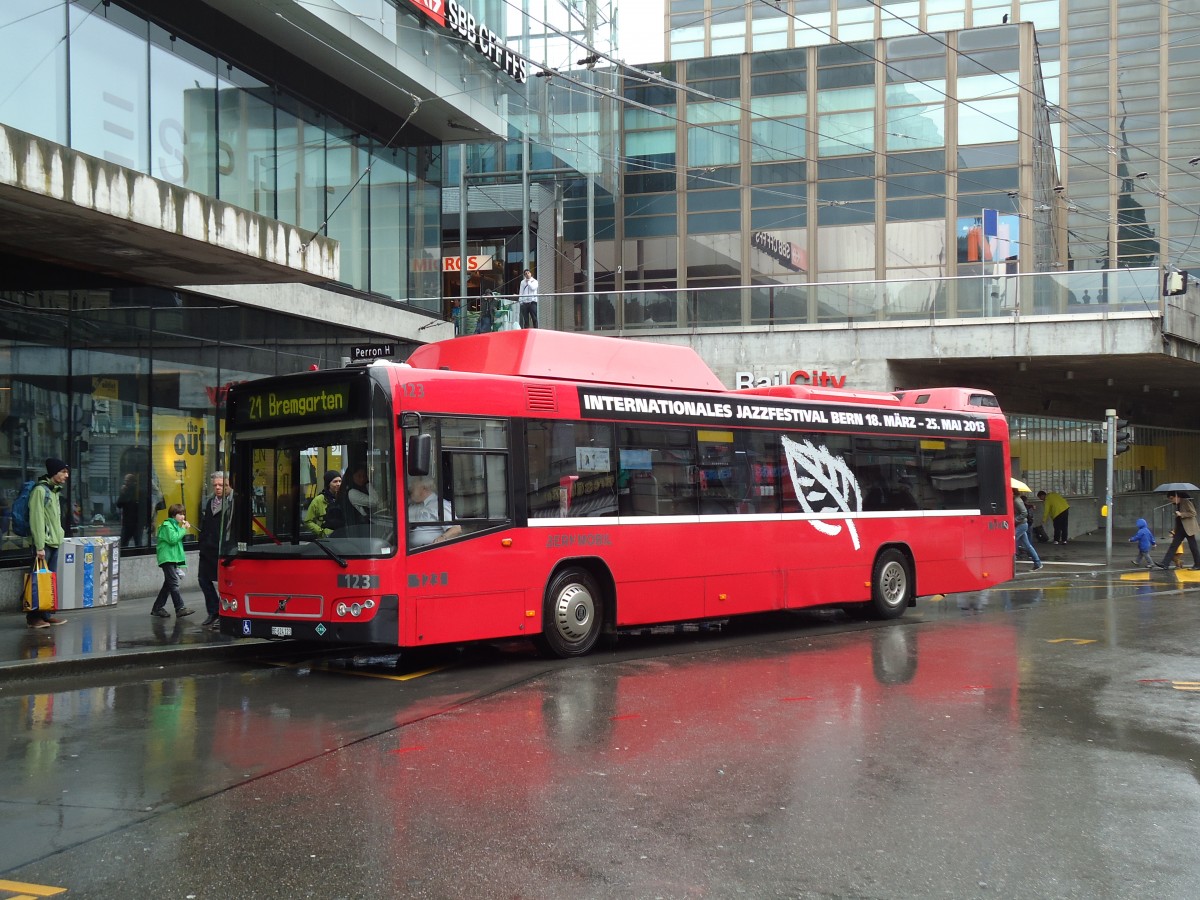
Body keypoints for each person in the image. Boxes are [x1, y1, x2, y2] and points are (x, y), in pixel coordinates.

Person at [25, 457, 70, 628]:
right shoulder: (40, 491)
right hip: (43, 544)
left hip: (54, 542)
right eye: (63, 472)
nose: (66, 475)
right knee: (37, 581)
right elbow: (36, 519)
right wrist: (39, 546)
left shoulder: (54, 491)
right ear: (54, 473)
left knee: (48, 581)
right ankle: (33, 617)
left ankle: (46, 615)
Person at [197, 471, 233, 628]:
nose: (218, 488)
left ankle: (225, 613)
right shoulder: (210, 502)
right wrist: (202, 543)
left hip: (222, 549)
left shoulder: (232, 502)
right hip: (207, 548)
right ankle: (213, 611)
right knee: (203, 579)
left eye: (222, 485)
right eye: (215, 485)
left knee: (223, 583)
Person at [152, 503, 195, 618]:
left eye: (183, 514)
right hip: (167, 558)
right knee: (174, 583)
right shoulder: (167, 525)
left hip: (171, 558)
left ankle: (157, 608)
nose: (182, 517)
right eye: (180, 514)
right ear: (173, 515)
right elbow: (173, 539)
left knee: (168, 584)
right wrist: (183, 529)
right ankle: (179, 608)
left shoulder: (175, 525)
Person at [407, 475, 462, 546]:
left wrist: (441, 539)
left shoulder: (440, 505)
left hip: (429, 551)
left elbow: (456, 528)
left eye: (413, 486)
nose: (409, 489)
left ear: (424, 488)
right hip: (407, 551)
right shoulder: (412, 506)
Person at [1156, 491, 1200, 570]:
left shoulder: (1186, 501)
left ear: (1177, 496)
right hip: (1180, 529)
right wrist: (1174, 530)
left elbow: (1193, 513)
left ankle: (1198, 564)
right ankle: (1165, 563)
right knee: (1173, 546)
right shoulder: (1177, 504)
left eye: (1172, 498)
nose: (1171, 500)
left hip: (1188, 528)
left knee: (1193, 547)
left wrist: (1181, 514)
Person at [304, 470, 343, 537]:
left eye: (340, 481)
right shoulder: (319, 500)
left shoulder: (343, 498)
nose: (338, 484)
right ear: (328, 484)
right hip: (327, 538)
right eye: (335, 481)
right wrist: (322, 532)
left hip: (342, 536)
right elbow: (308, 521)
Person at [1013, 489, 1043, 571]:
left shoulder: (1017, 501)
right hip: (1021, 524)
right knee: (1027, 545)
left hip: (1021, 524)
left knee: (1011, 541)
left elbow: (1024, 513)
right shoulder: (1015, 500)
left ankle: (1011, 562)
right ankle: (1037, 563)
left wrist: (1014, 520)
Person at [116, 472, 142, 548]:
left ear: (132, 481)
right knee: (134, 543)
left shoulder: (136, 491)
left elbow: (120, 504)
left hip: (133, 522)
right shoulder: (127, 491)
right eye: (125, 481)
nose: (125, 482)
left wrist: (123, 493)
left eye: (127, 481)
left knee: (127, 543)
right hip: (130, 522)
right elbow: (119, 504)